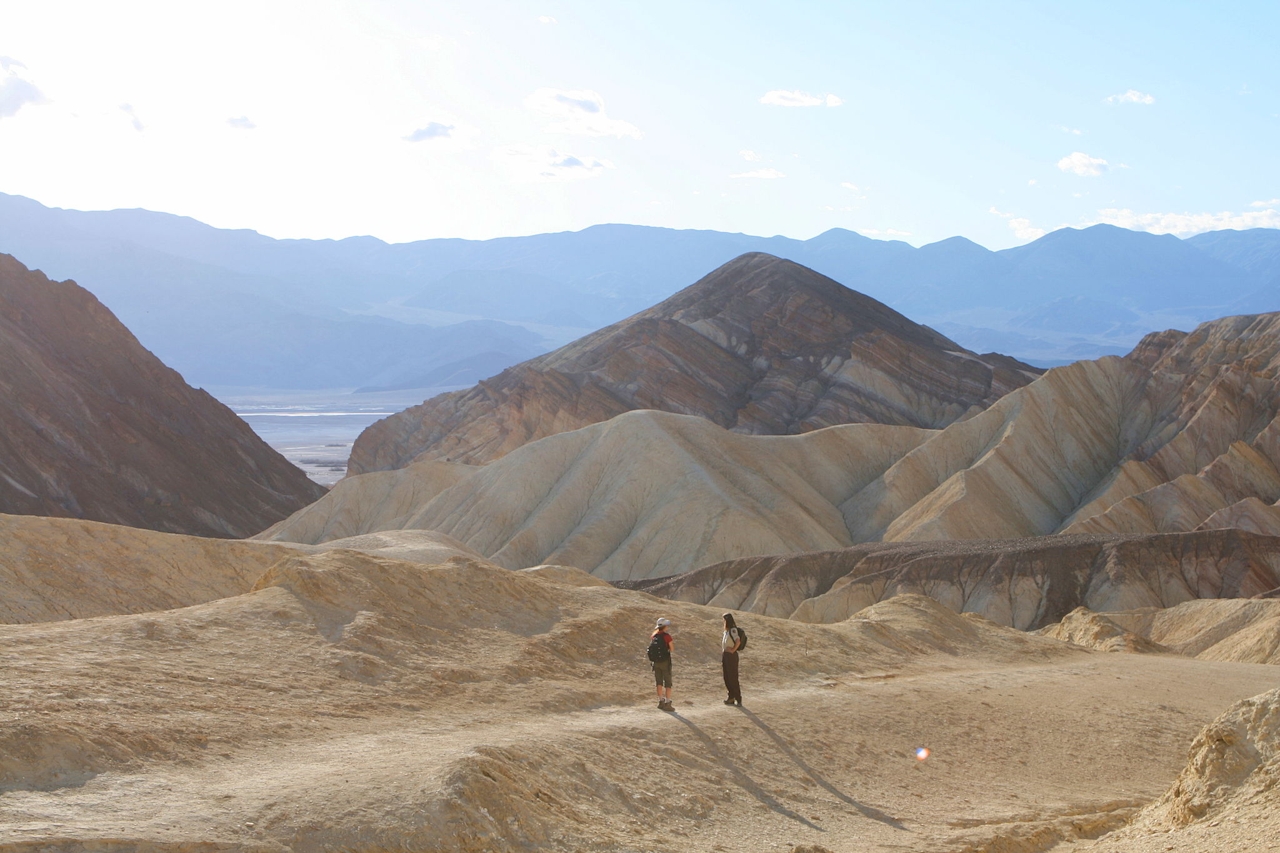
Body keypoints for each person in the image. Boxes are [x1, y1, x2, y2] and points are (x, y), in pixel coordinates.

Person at [650, 618, 675, 711]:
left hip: (656, 662)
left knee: (659, 682)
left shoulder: (653, 636)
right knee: (668, 682)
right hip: (665, 661)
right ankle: (668, 703)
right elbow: (672, 649)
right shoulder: (667, 636)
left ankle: (661, 701)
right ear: (664, 627)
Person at [722, 612, 742, 706]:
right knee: (727, 677)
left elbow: (738, 641)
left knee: (733, 677)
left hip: (731, 656)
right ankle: (731, 697)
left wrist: (733, 650)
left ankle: (738, 698)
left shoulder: (733, 630)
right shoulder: (726, 631)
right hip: (725, 655)